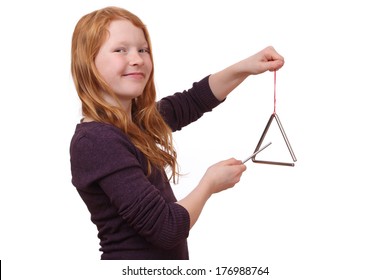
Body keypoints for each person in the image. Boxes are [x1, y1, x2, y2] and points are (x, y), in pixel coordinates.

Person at [70, 6, 284, 260]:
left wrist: (246, 67)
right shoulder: (97, 141)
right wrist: (209, 184)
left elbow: (193, 101)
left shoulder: (135, 123)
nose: (137, 59)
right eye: (120, 50)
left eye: (143, 49)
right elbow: (166, 229)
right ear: (88, 62)